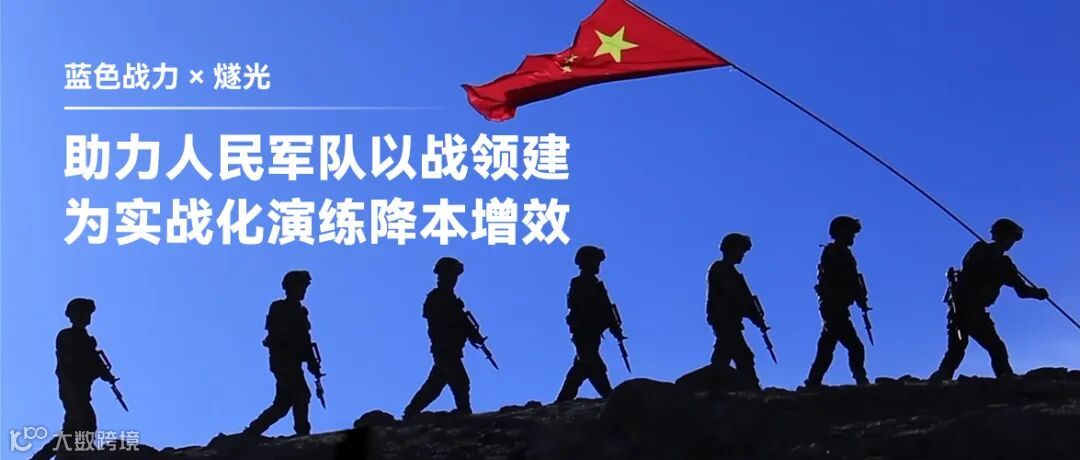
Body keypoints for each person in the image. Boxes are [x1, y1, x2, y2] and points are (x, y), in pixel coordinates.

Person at [929, 218, 1048, 381]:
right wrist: (992, 268)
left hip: (976, 309)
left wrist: (1038, 293)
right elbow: (968, 273)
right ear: (999, 235)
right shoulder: (980, 250)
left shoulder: (1006, 264)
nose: (1010, 242)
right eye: (1009, 237)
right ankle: (941, 381)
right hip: (964, 306)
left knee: (990, 348)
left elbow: (1021, 290)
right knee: (962, 348)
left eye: (1013, 239)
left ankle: (1004, 378)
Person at [32, 298, 119, 460]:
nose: (88, 317)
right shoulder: (67, 336)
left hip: (81, 391)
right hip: (71, 389)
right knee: (86, 422)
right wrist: (93, 362)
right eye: (85, 313)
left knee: (71, 431)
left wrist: (105, 374)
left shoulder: (86, 340)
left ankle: (41, 457)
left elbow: (94, 365)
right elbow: (74, 363)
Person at [243, 270, 322, 437]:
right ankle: (301, 433)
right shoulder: (279, 308)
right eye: (301, 287)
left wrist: (312, 362)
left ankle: (253, 431)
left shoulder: (301, 311)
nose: (303, 291)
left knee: (284, 403)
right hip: (283, 361)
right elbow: (278, 335)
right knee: (300, 394)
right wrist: (296, 348)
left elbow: (305, 339)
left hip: (292, 362)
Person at [403, 257, 483, 420]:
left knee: (436, 385)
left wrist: (471, 334)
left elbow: (460, 322)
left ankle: (410, 414)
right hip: (445, 349)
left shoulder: (450, 298)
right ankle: (465, 414)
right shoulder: (438, 297)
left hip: (450, 349)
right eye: (452, 275)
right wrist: (464, 330)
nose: (454, 280)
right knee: (459, 382)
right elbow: (443, 323)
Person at [804, 216, 871, 388]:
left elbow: (853, 281)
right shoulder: (833, 253)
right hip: (833, 307)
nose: (852, 237)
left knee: (827, 347)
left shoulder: (845, 254)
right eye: (850, 233)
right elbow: (836, 281)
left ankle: (813, 381)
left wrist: (859, 297)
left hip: (837, 307)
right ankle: (860, 380)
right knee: (854, 347)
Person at [554, 245, 625, 402]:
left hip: (591, 333)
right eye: (595, 262)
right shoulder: (581, 284)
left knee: (581, 367)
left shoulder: (594, 284)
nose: (597, 266)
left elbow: (606, 310)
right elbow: (584, 310)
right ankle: (609, 397)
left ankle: (563, 400)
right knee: (593, 365)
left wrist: (614, 327)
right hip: (584, 332)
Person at [706, 233, 766, 390]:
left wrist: (755, 316)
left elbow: (742, 300)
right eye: (740, 251)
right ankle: (751, 388)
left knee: (724, 354)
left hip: (729, 320)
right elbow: (735, 297)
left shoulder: (731, 273)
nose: (742, 255)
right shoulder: (720, 269)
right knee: (742, 356)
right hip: (724, 319)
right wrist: (751, 312)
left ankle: (715, 387)